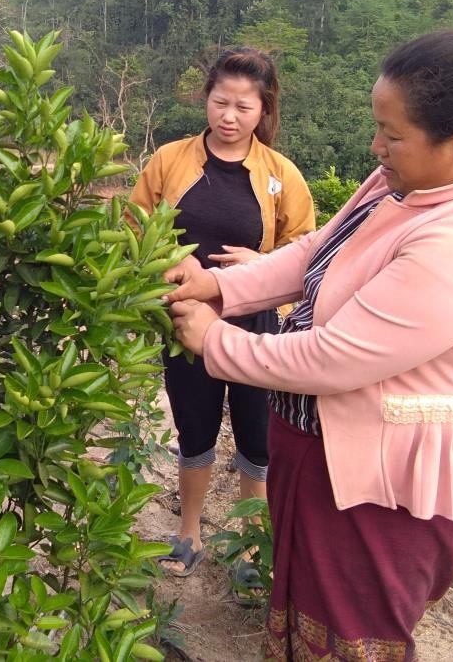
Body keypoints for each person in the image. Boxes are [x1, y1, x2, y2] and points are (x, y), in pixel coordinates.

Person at [168, 30, 453, 660]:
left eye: (394, 134)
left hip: (378, 483)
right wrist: (217, 283)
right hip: (317, 451)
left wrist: (213, 338)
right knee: (305, 617)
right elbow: (312, 255)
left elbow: (335, 358)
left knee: (354, 633)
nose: (377, 147)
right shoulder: (398, 186)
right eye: (379, 127)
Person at [129, 47, 314, 579]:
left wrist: (263, 265)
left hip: (255, 322)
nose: (228, 117)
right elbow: (136, 220)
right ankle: (188, 530)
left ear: (264, 112)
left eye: (243, 107)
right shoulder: (171, 159)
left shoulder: (281, 174)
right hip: (185, 319)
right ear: (205, 99)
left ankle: (253, 544)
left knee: (258, 436)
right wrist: (167, 253)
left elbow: (307, 247)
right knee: (195, 428)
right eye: (219, 102)